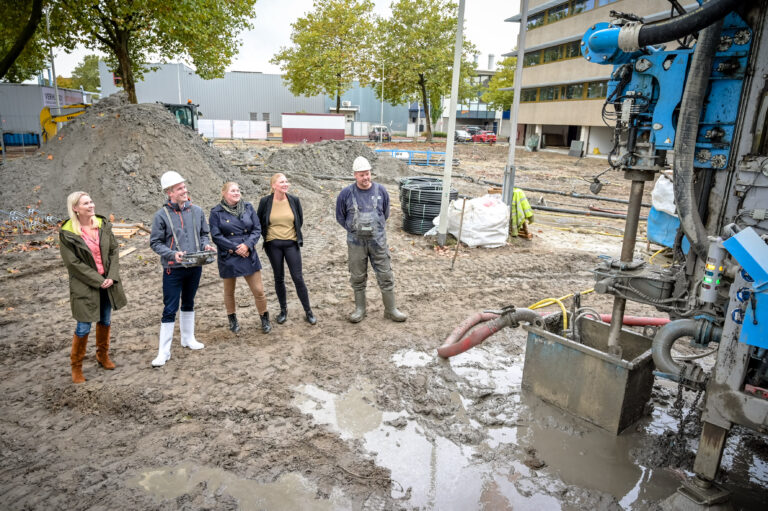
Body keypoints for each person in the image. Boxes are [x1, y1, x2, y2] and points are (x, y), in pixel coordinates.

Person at [59, 191, 127, 383]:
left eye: (91, 201)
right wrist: (98, 280)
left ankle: (102, 356)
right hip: (85, 285)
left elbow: (114, 250)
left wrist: (111, 277)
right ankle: (76, 367)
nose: (91, 205)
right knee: (83, 326)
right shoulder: (68, 232)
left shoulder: (102, 225)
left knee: (105, 320)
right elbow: (72, 264)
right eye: (86, 203)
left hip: (108, 283)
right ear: (75, 208)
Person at [149, 171, 215, 367]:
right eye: (179, 189)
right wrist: (172, 254)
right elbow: (155, 243)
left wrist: (205, 245)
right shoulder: (161, 216)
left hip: (195, 266)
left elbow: (204, 234)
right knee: (170, 308)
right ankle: (164, 351)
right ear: (169, 192)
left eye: (184, 187)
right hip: (172, 268)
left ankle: (188, 339)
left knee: (189, 301)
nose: (184, 190)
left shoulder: (197, 211)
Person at [335, 156, 407, 323]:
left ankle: (390, 310)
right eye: (361, 175)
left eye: (367, 174)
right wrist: (354, 231)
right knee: (358, 276)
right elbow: (340, 217)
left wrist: (376, 230)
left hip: (378, 242)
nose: (365, 178)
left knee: (385, 274)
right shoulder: (345, 194)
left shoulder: (381, 191)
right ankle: (360, 310)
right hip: (355, 243)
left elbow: (385, 214)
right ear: (355, 175)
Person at [210, 182, 272, 334]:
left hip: (248, 253)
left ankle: (264, 318)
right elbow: (216, 236)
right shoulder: (216, 212)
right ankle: (232, 319)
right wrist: (234, 248)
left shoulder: (248, 207)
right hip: (228, 254)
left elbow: (257, 229)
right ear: (224, 193)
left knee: (258, 290)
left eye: (238, 190)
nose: (236, 193)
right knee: (229, 291)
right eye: (233, 191)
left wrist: (247, 245)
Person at [257, 173, 316, 325]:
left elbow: (299, 220)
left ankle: (308, 311)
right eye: (281, 182)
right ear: (273, 185)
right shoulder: (265, 202)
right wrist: (268, 238)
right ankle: (283, 310)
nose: (285, 184)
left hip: (291, 243)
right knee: (279, 278)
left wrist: (290, 235)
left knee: (298, 277)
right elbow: (260, 222)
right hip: (273, 245)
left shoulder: (294, 200)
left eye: (286, 181)